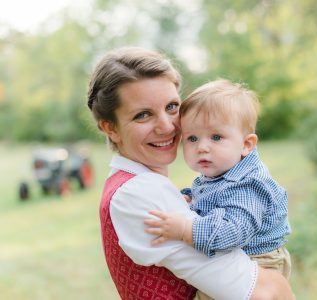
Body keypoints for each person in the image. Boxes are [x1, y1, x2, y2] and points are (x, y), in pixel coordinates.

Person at [87, 46, 294, 300]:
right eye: (143, 115)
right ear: (110, 127)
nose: (167, 127)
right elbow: (266, 293)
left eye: (172, 107)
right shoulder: (138, 193)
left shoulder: (137, 184)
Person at [144, 80, 291, 283]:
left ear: (246, 145)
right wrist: (189, 199)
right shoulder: (222, 171)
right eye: (192, 138)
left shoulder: (248, 185)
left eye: (216, 137)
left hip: (259, 263)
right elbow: (213, 196)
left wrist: (186, 229)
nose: (202, 147)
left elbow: (232, 232)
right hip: (238, 258)